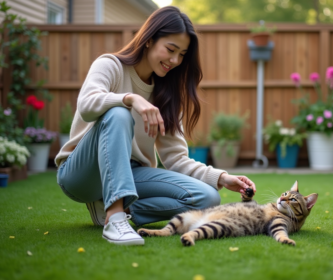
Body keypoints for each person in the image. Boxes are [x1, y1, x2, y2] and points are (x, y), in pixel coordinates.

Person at [55, 6, 256, 246]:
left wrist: (221, 177)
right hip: (82, 174)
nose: (175, 60)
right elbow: (87, 105)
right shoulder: (110, 65)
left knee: (208, 197)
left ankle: (118, 207)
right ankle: (114, 217)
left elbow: (176, 159)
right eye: (170, 49)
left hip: (130, 173)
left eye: (181, 54)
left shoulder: (168, 93)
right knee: (118, 113)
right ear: (149, 40)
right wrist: (130, 99)